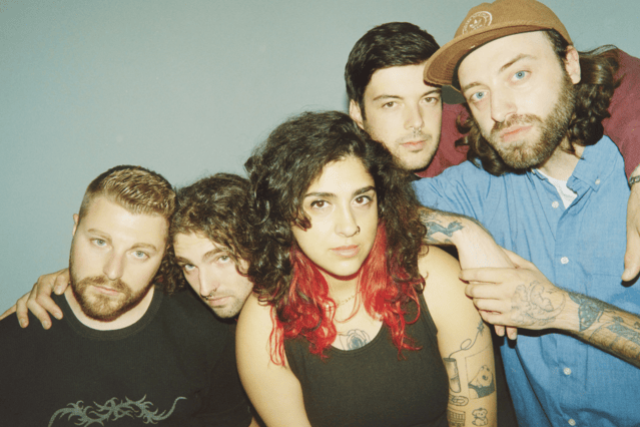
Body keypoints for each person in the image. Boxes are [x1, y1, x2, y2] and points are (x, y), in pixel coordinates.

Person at [413, 0, 640, 425]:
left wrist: (559, 310)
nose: (499, 111)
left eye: (518, 74)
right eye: (478, 93)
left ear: (570, 65)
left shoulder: (630, 178)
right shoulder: (478, 186)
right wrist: (463, 231)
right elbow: (373, 210)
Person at [237, 111, 498, 427]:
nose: (349, 226)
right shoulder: (263, 324)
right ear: (283, 212)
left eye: (361, 199)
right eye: (320, 204)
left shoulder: (437, 279)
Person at [345, 21, 640, 282]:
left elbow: (620, 73)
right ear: (357, 113)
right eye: (390, 104)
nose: (416, 123)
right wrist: (463, 231)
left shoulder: (470, 126)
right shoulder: (340, 170)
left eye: (429, 99)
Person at [0, 166, 253, 426]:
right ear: (75, 228)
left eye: (139, 253)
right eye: (100, 242)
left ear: (165, 254)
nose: (112, 271)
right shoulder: (12, 342)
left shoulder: (213, 335)